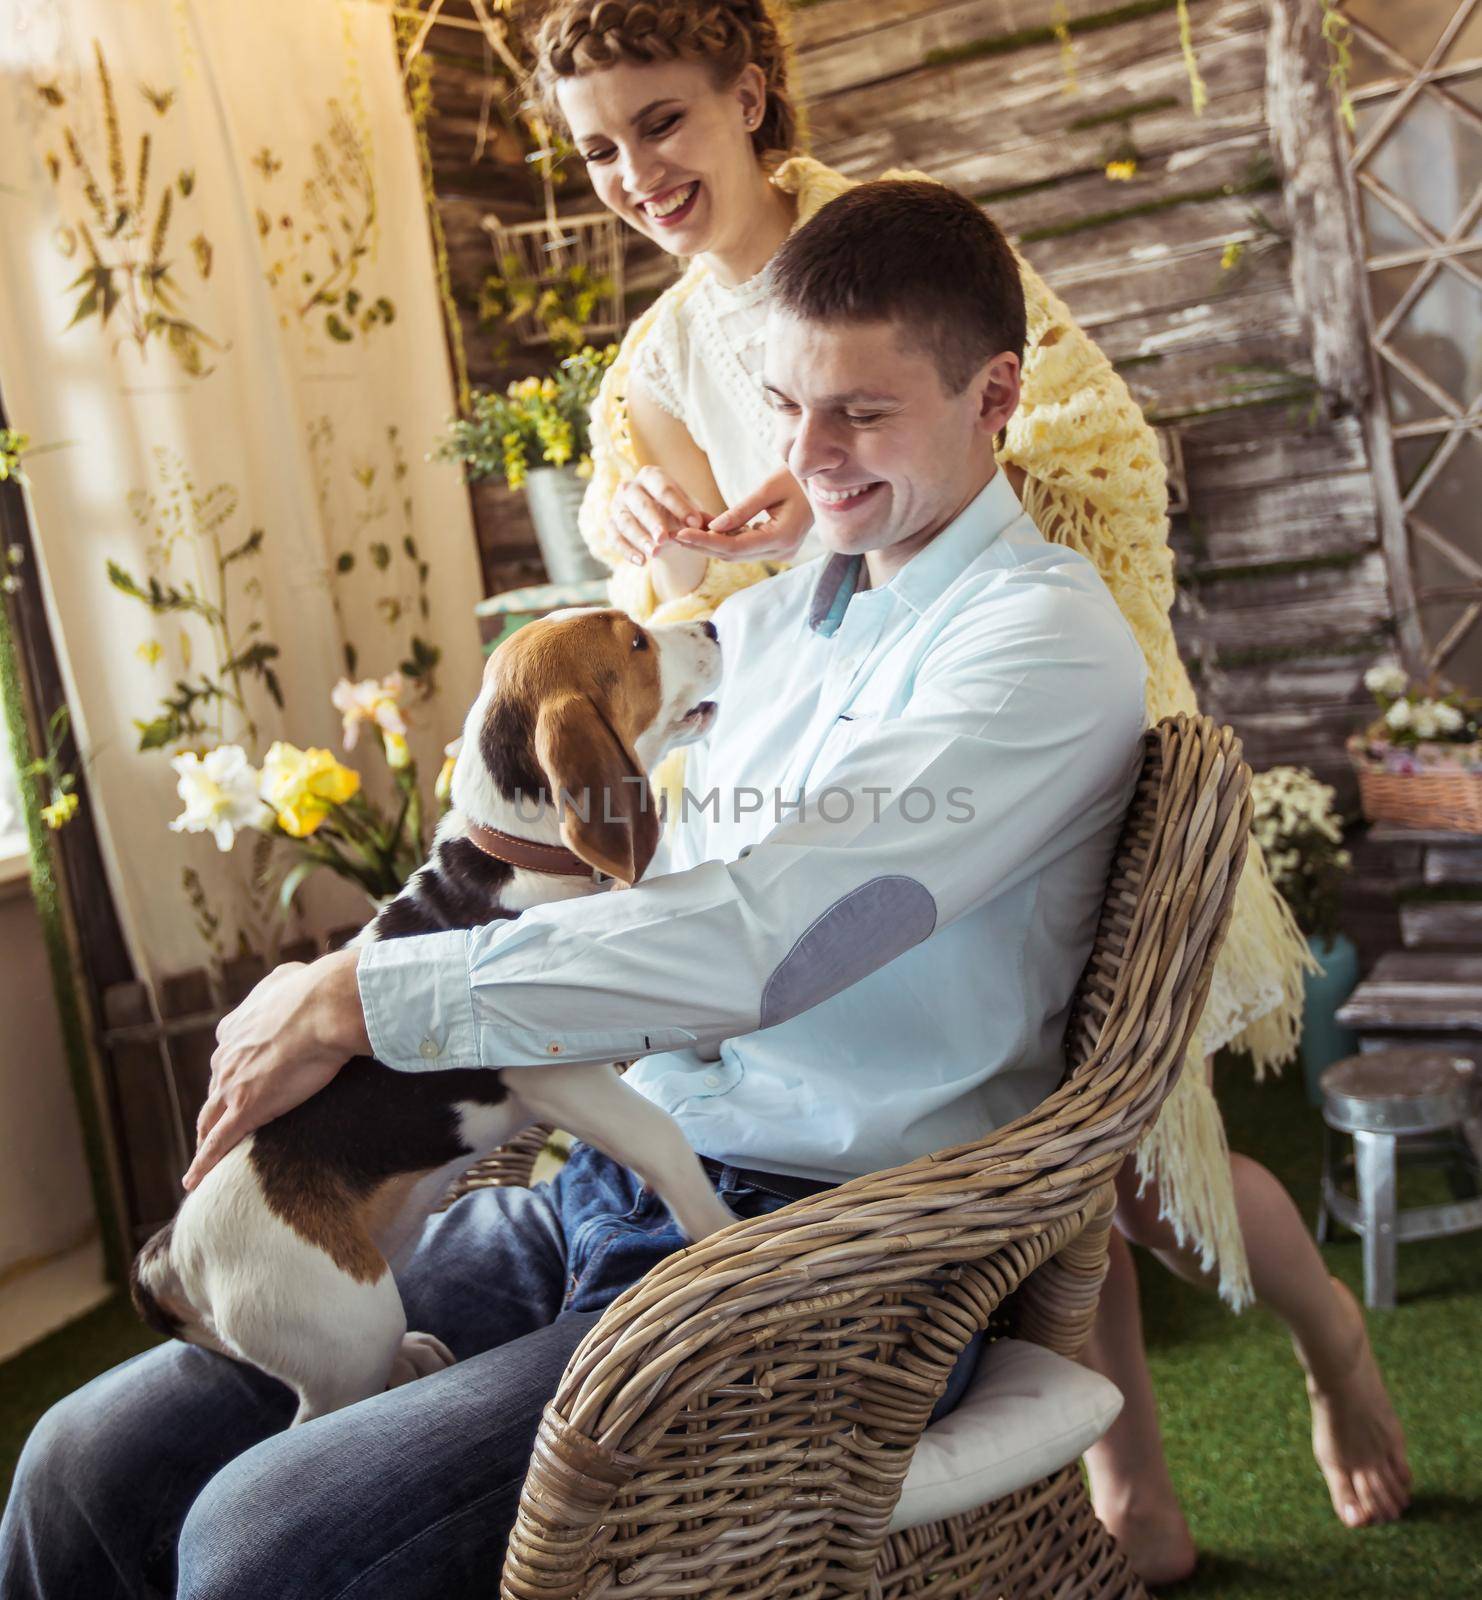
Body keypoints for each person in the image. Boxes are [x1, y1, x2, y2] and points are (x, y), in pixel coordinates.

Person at [2, 181, 1150, 1599]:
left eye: (861, 412)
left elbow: (769, 942)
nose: (807, 455)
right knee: (78, 1464)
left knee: (262, 1542)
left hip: (819, 1249)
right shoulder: (783, 610)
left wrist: (359, 988)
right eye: (787, 405)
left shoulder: (1033, 649)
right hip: (608, 1181)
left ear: (994, 396)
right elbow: (575, 778)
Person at [525, 0, 1411, 1576]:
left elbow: (1087, 462)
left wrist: (818, 515)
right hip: (858, 793)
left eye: (659, 122)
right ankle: (1128, 1489)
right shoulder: (645, 376)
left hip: (1026, 754)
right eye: (596, 147)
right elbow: (701, 648)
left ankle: (1327, 1340)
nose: (634, 170)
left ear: (744, 97)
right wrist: (686, 564)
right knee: (1045, 1164)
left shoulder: (898, 254)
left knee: (1147, 1163)